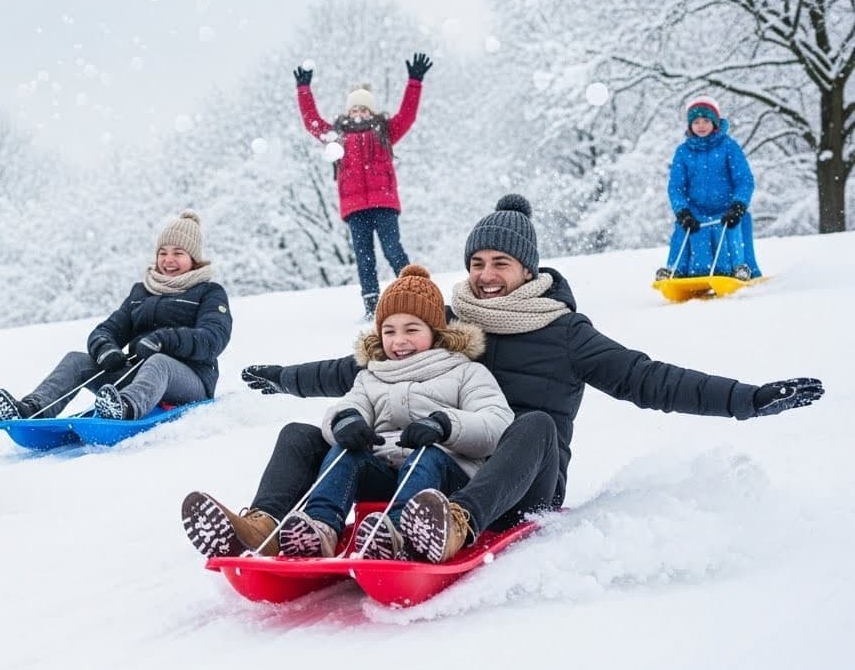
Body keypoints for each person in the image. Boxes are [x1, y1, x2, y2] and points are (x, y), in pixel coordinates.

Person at [183, 194, 823, 562]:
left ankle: (453, 524)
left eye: (502, 263)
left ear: (527, 269)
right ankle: (263, 525)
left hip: (517, 481)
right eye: (478, 262)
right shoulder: (455, 321)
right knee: (303, 436)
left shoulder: (567, 332)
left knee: (535, 422)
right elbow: (367, 370)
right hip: (427, 464)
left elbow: (649, 379)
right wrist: (290, 379)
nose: (487, 274)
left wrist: (747, 399)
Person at [275, 265, 512, 560]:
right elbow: (349, 405)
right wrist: (346, 421)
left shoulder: (466, 371)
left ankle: (400, 532)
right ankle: (321, 527)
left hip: (447, 478)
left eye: (412, 330)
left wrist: (445, 426)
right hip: (387, 475)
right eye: (389, 331)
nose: (399, 341)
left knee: (428, 456)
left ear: (436, 332)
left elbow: (496, 423)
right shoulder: (371, 376)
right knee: (343, 451)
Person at [0, 210, 231, 423]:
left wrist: (164, 340)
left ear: (194, 259)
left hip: (190, 380)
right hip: (138, 375)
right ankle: (32, 409)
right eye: (162, 252)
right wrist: (106, 349)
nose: (168, 260)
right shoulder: (142, 291)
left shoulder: (209, 292)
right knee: (76, 360)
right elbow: (107, 329)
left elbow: (213, 338)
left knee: (159, 363)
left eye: (178, 253)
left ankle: (124, 409)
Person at [293, 53, 431, 317]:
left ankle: (415, 292)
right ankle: (371, 306)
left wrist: (415, 81)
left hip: (384, 204)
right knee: (365, 258)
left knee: (392, 249)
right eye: (355, 109)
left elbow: (408, 115)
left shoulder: (384, 131)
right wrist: (304, 89)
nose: (359, 113)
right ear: (348, 112)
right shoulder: (338, 137)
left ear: (372, 111)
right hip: (355, 208)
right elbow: (312, 122)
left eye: (364, 109)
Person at [657, 95, 762, 281]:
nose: (701, 125)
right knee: (683, 230)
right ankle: (675, 271)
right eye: (696, 121)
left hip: (726, 209)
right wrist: (682, 211)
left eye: (706, 120)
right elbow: (676, 187)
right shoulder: (683, 152)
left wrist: (738, 205)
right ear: (690, 125)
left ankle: (739, 268)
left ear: (715, 122)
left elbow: (744, 179)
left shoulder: (728, 147)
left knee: (734, 227)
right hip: (696, 211)